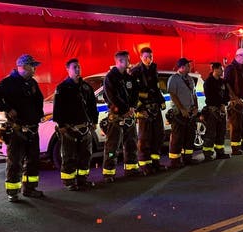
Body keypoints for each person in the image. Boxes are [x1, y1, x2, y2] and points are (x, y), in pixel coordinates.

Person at [0, 54, 45, 202]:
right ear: (24, 66)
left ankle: (30, 188)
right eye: (33, 66)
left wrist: (38, 115)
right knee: (15, 161)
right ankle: (13, 192)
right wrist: (7, 108)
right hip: (17, 129)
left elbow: (39, 101)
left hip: (32, 129)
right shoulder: (8, 83)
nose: (35, 69)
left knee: (33, 160)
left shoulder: (32, 83)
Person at [53, 58, 98, 191]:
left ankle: (82, 180)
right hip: (69, 129)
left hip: (85, 128)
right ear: (67, 70)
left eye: (79, 67)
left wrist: (94, 121)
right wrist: (60, 124)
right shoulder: (62, 88)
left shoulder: (86, 87)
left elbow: (92, 106)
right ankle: (69, 182)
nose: (78, 69)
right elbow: (58, 108)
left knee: (85, 155)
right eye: (74, 67)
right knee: (69, 156)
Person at [102, 50, 140, 182]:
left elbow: (135, 93)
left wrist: (132, 107)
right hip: (117, 117)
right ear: (119, 61)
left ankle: (131, 168)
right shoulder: (110, 78)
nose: (129, 62)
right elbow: (112, 97)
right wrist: (125, 109)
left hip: (129, 116)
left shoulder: (129, 78)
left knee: (131, 143)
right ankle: (109, 173)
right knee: (112, 146)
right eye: (127, 60)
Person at [130, 47, 167, 175]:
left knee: (158, 135)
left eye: (151, 57)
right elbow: (132, 94)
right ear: (140, 57)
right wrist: (140, 108)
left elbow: (156, 88)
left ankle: (155, 162)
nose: (149, 59)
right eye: (146, 57)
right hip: (144, 109)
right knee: (144, 138)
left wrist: (161, 101)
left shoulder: (153, 69)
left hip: (155, 107)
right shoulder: (135, 72)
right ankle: (145, 165)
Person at [167, 58, 199, 168]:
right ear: (182, 67)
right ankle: (175, 161)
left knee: (190, 136)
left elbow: (193, 94)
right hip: (179, 113)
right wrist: (181, 109)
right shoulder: (173, 79)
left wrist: (195, 107)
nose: (190, 68)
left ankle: (187, 158)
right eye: (188, 66)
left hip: (190, 112)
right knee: (177, 137)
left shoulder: (189, 79)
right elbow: (173, 95)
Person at [202, 62, 231, 161]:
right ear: (215, 69)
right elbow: (210, 96)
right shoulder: (208, 82)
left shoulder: (222, 82)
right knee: (211, 133)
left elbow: (226, 95)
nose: (222, 71)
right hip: (212, 111)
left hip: (222, 111)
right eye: (221, 69)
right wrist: (220, 104)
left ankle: (220, 152)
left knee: (221, 132)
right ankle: (207, 154)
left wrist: (224, 103)